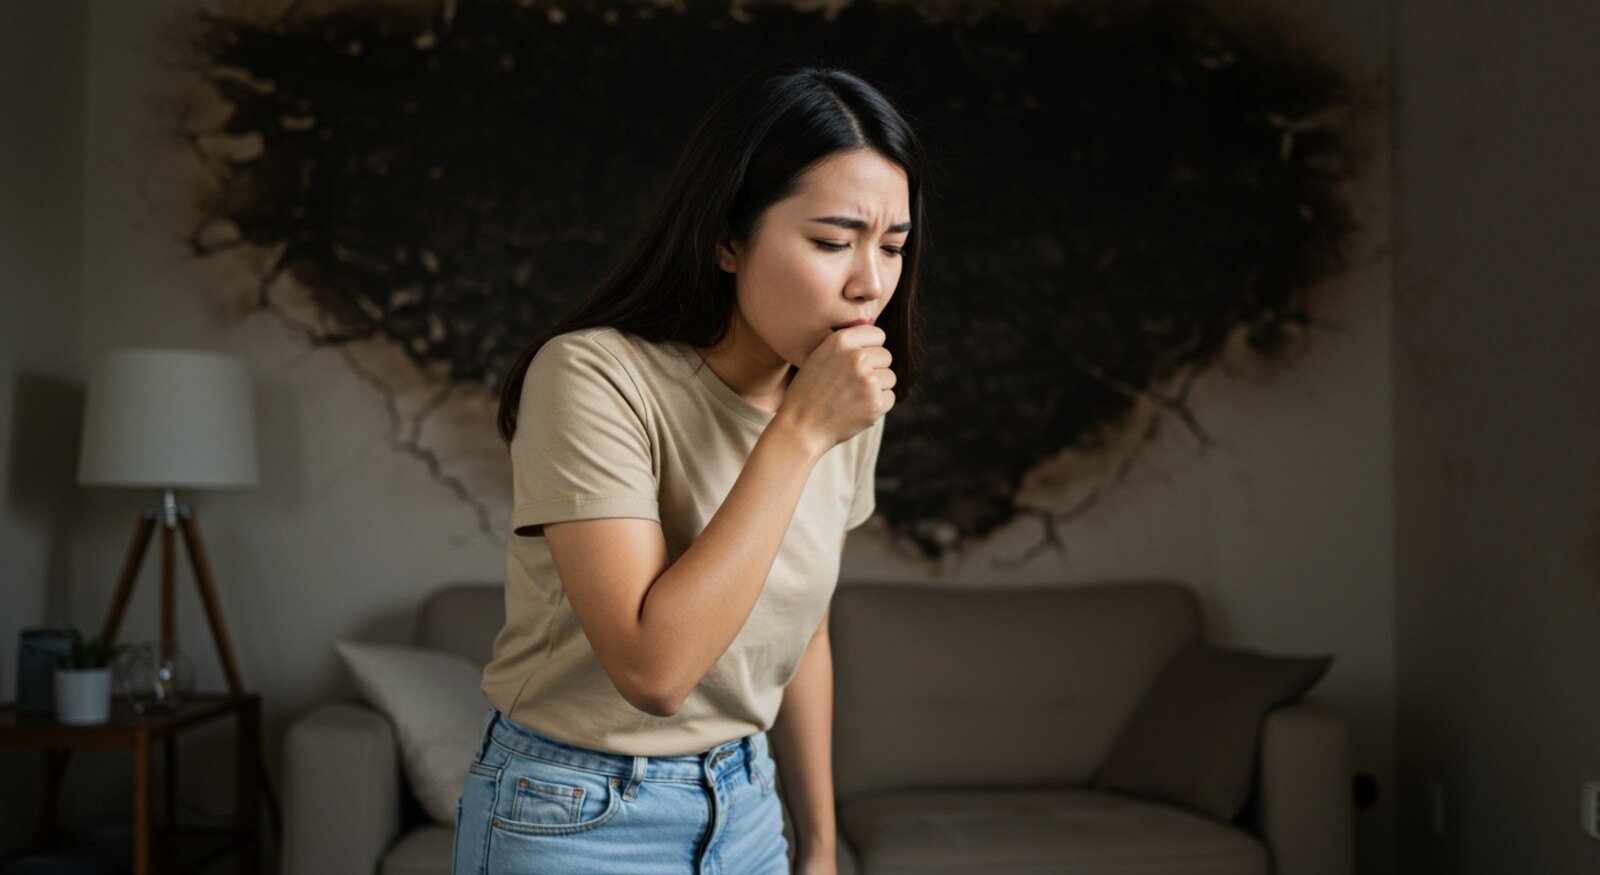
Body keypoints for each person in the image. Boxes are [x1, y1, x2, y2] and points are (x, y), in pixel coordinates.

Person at [453, 60, 932, 875]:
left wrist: (817, 845)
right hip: (576, 811)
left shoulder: (838, 398)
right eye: (830, 241)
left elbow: (803, 630)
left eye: (892, 245)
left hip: (747, 801)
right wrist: (799, 433)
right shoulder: (591, 376)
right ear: (726, 237)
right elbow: (655, 670)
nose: (870, 284)